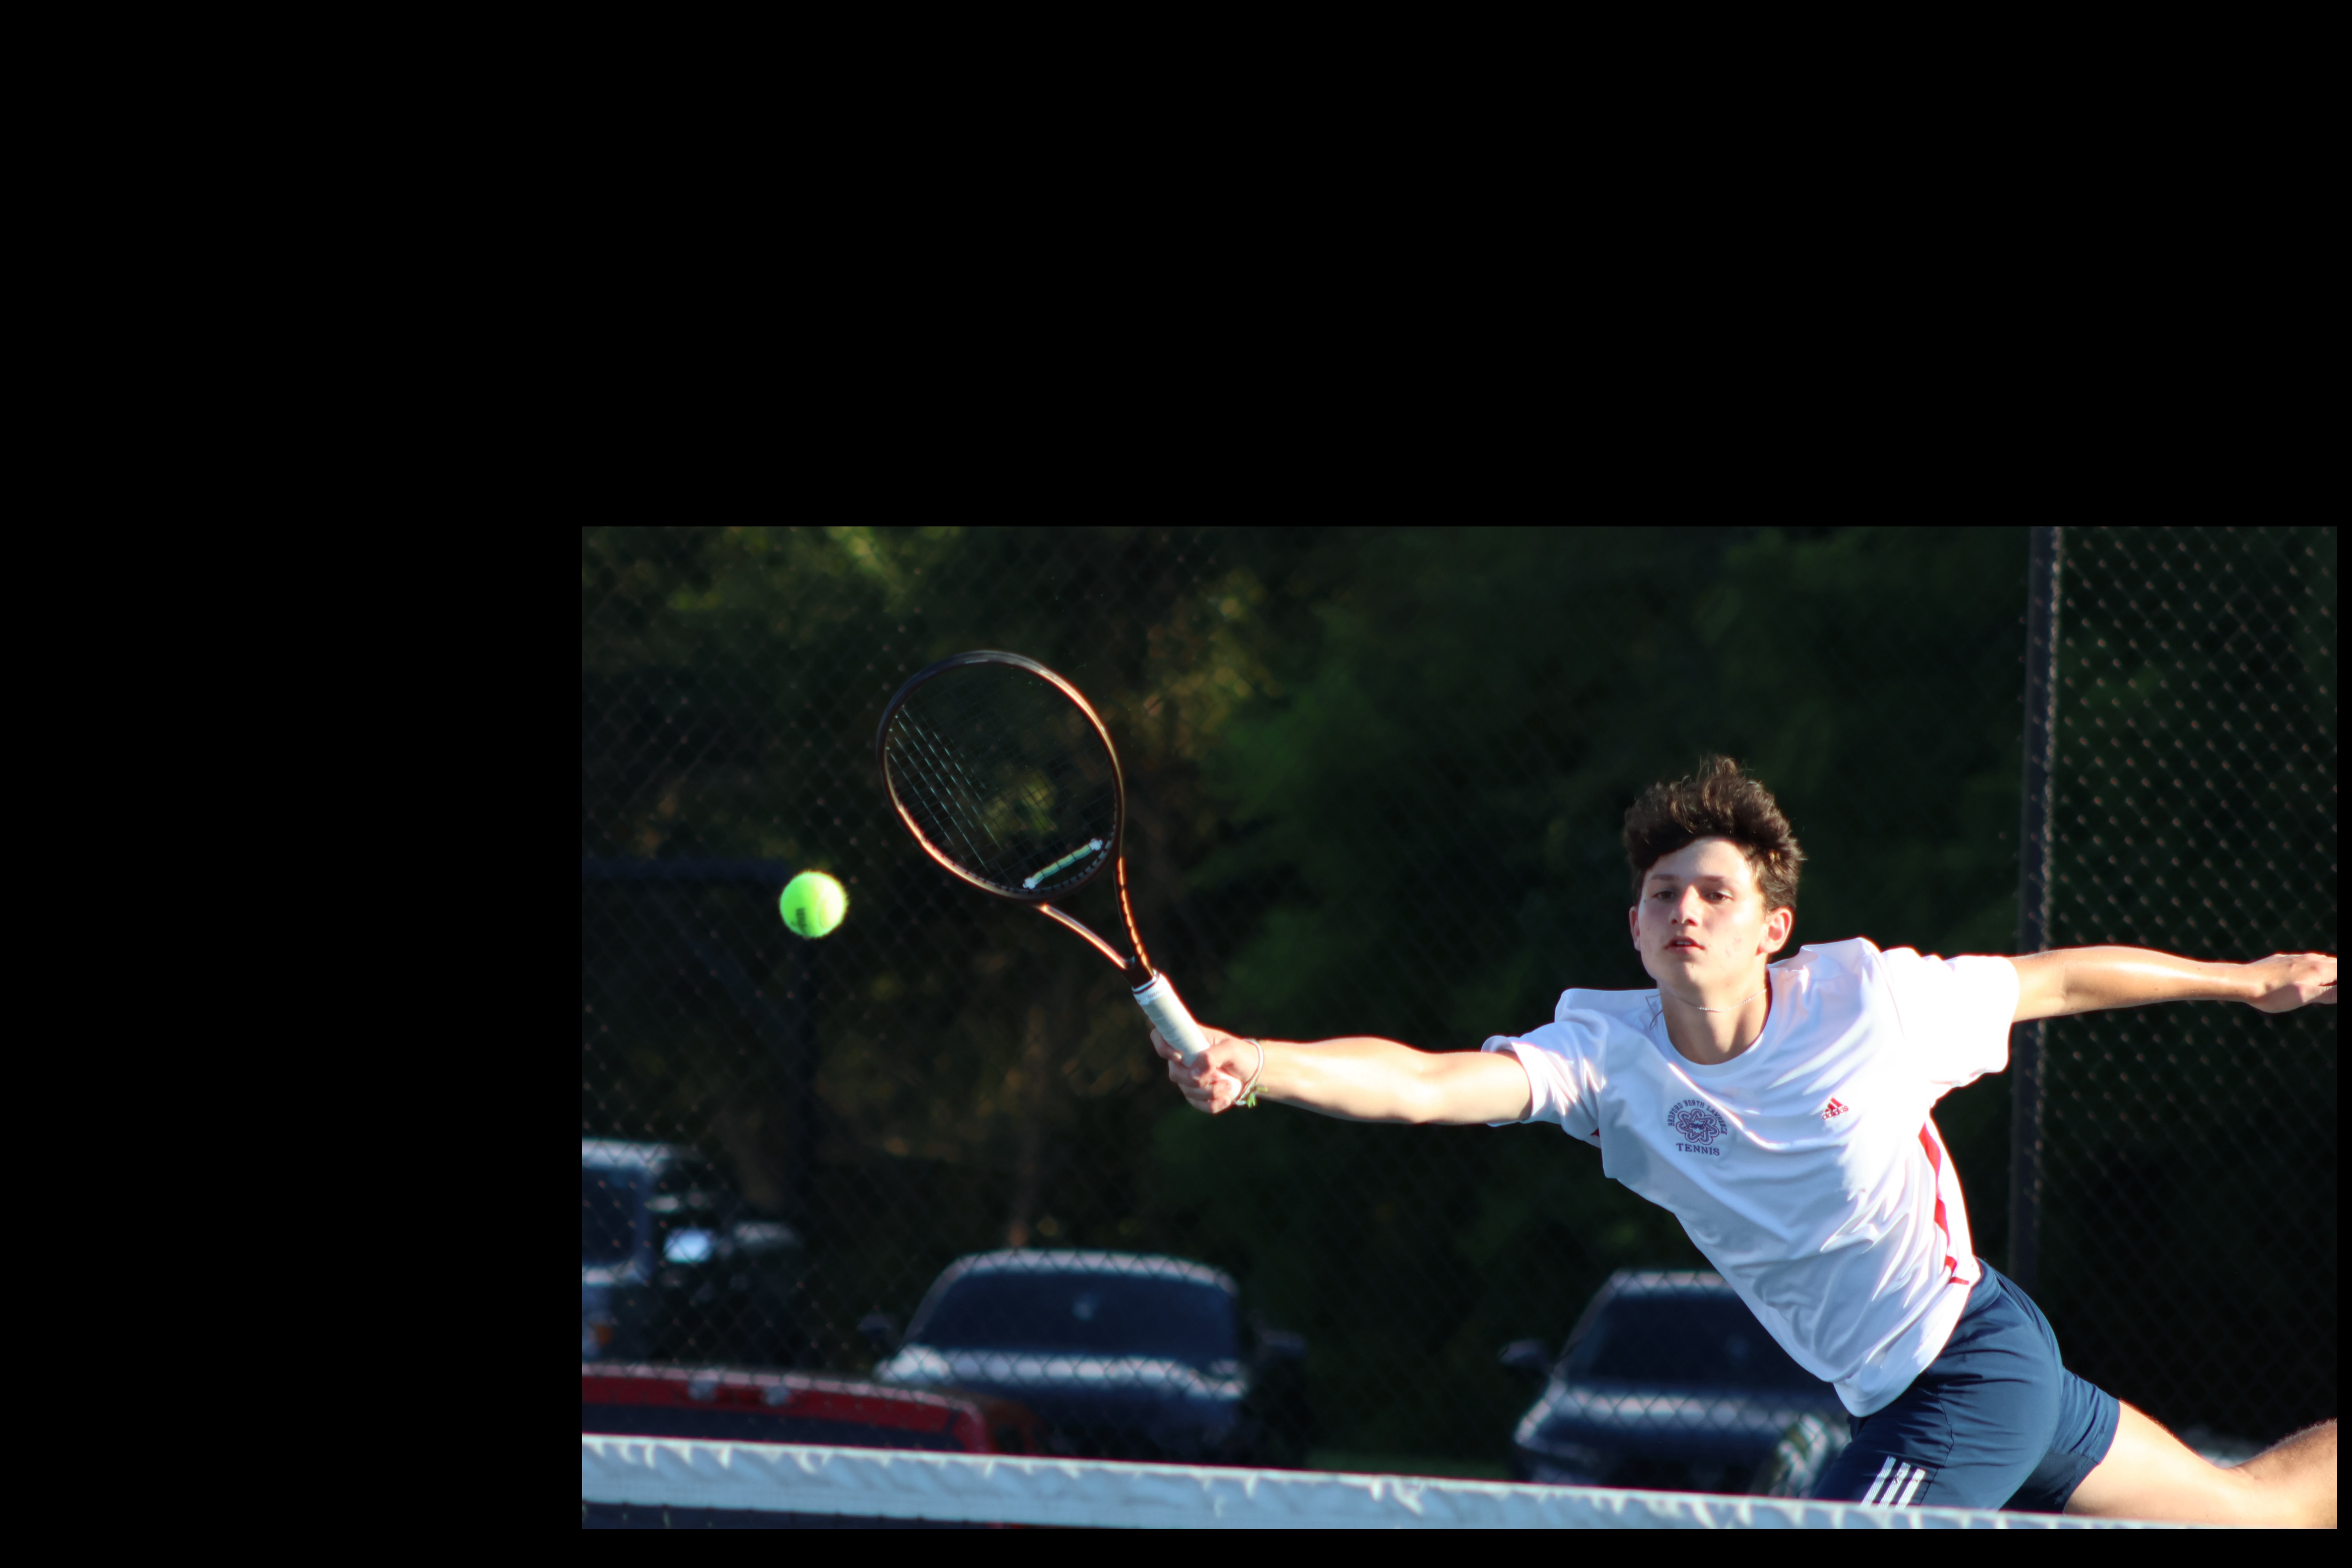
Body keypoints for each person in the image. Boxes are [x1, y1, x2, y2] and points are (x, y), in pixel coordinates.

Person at [1155, 757, 2336, 1525]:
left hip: (1968, 1366)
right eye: (1663, 894)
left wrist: (2246, 980)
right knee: (2260, 1510)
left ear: (1774, 928)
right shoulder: (1604, 1057)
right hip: (1901, 1390)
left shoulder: (1873, 1003)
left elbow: (2061, 981)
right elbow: (1423, 1086)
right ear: (1634, 929)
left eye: (1715, 893)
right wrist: (1256, 1062)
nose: (1686, 909)